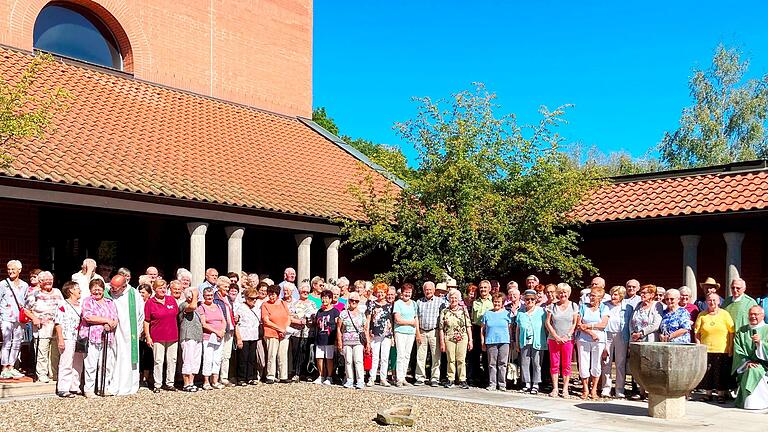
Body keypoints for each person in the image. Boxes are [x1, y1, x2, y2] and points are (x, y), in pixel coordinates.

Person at [107, 274, 145, 396]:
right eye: (112, 286)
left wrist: (137, 332)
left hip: (129, 333)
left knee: (127, 359)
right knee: (112, 358)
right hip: (113, 331)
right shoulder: (108, 292)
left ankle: (127, 385)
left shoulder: (134, 294)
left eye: (115, 288)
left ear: (124, 286)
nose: (112, 290)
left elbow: (140, 315)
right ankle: (110, 384)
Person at [694, 292, 735, 403]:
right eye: (709, 300)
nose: (712, 303)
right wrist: (699, 346)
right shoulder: (702, 315)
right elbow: (696, 332)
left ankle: (721, 394)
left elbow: (732, 332)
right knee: (707, 372)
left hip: (722, 349)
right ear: (706, 302)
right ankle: (708, 394)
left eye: (714, 300)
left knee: (721, 372)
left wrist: (730, 347)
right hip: (706, 349)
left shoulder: (725, 314)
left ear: (719, 302)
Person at [81, 279, 118, 397]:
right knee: (91, 363)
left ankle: (103, 387)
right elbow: (88, 317)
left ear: (103, 289)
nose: (97, 291)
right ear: (90, 290)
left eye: (99, 289)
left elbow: (115, 317)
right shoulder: (88, 301)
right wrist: (106, 320)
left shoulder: (109, 302)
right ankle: (89, 389)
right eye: (94, 289)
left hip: (108, 336)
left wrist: (112, 323)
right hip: (93, 336)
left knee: (106, 364)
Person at [26, 271, 63, 383]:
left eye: (50, 280)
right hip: (42, 326)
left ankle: (54, 373)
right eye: (45, 281)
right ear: (40, 282)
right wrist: (34, 318)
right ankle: (42, 373)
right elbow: (25, 309)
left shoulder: (57, 291)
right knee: (42, 350)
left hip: (56, 326)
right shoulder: (34, 294)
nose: (48, 282)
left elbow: (62, 307)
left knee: (55, 352)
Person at [143, 279, 179, 392]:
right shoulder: (150, 302)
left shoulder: (171, 300)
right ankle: (157, 384)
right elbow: (146, 321)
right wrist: (148, 336)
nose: (162, 290)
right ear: (154, 289)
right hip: (157, 336)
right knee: (158, 360)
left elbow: (176, 315)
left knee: (172, 360)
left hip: (173, 335)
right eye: (160, 288)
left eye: (164, 288)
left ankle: (170, 383)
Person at [629, 284, 663, 400]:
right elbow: (631, 321)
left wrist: (641, 333)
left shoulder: (657, 306)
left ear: (652, 295)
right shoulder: (638, 305)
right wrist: (633, 333)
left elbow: (656, 324)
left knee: (649, 365)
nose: (642, 295)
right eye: (641, 293)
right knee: (638, 365)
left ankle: (651, 391)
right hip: (636, 340)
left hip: (649, 339)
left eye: (644, 293)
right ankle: (639, 391)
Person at [545, 283, 577, 398]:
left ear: (568, 293)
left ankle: (565, 389)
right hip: (554, 339)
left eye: (565, 292)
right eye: (561, 292)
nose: (563, 294)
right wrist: (555, 336)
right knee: (554, 364)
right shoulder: (552, 306)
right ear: (557, 293)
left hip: (568, 340)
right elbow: (548, 322)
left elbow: (574, 323)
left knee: (566, 364)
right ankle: (555, 388)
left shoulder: (574, 306)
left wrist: (567, 335)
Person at [576, 286, 609, 400]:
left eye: (594, 295)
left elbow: (603, 324)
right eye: (590, 295)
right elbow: (579, 324)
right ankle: (585, 388)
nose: (591, 297)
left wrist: (590, 326)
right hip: (584, 339)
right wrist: (591, 333)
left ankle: (594, 389)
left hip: (599, 340)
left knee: (596, 364)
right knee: (583, 364)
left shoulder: (604, 308)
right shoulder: (583, 307)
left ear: (600, 297)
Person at [732, 305, 768, 409]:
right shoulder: (742, 331)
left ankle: (760, 403)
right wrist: (747, 362)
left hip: (764, 365)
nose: (753, 316)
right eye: (750, 314)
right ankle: (748, 402)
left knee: (755, 371)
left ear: (762, 315)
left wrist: (760, 344)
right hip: (745, 364)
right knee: (751, 370)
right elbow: (737, 349)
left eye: (756, 314)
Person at [600, 285, 633, 398]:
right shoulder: (604, 305)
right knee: (606, 362)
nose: (613, 296)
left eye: (616, 294)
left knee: (620, 363)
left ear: (621, 296)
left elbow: (629, 324)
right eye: (612, 294)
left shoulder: (627, 307)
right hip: (607, 335)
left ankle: (619, 389)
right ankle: (606, 388)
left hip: (621, 336)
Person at [1, 260, 30, 379]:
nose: (10, 271)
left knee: (17, 342)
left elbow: (26, 301)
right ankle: (4, 367)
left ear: (19, 270)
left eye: (13, 269)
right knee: (7, 342)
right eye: (9, 269)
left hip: (19, 318)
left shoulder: (24, 285)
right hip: (6, 316)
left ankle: (12, 366)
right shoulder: (3, 284)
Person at [439, 288, 472, 388]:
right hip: (449, 337)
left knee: (461, 359)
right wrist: (442, 342)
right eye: (451, 298)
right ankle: (451, 379)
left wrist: (470, 340)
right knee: (451, 359)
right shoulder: (444, 311)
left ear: (459, 299)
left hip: (462, 337)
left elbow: (468, 325)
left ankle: (462, 379)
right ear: (449, 299)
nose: (453, 300)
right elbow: (441, 328)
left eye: (455, 298)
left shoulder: (463, 310)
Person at [55, 281, 83, 397]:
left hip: (80, 337)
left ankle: (74, 386)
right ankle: (63, 388)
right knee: (66, 362)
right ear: (70, 290)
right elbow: (58, 322)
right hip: (67, 336)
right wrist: (60, 338)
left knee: (78, 363)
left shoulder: (81, 305)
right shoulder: (62, 304)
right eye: (77, 288)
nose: (79, 290)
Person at [415, 281, 445, 386]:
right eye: (426, 289)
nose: (428, 291)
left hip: (434, 331)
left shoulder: (440, 302)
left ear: (434, 290)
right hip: (422, 331)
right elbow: (416, 318)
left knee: (436, 356)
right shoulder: (419, 302)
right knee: (420, 356)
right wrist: (417, 333)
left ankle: (435, 378)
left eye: (430, 289)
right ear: (423, 291)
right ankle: (420, 377)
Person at [516, 289, 547, 394]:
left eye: (532, 299)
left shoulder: (541, 312)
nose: (530, 301)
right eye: (527, 299)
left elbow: (546, 326)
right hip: (524, 341)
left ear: (535, 300)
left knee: (536, 363)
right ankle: (527, 383)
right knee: (525, 362)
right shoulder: (521, 312)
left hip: (538, 341)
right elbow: (518, 329)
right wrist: (517, 343)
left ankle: (536, 384)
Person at [482, 292, 512, 392]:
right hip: (491, 341)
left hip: (504, 341)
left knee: (503, 363)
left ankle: (502, 384)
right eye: (495, 302)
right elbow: (482, 329)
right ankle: (492, 383)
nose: (497, 304)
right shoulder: (487, 313)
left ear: (502, 303)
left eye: (499, 302)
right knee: (492, 363)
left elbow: (510, 329)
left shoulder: (507, 314)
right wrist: (483, 341)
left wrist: (511, 341)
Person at [261, 284, 291, 384]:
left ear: (277, 294)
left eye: (273, 294)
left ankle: (283, 375)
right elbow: (266, 321)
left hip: (283, 333)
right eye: (269, 294)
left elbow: (288, 317)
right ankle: (270, 375)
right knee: (271, 355)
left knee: (282, 355)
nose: (271, 296)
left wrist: (285, 329)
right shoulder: (265, 305)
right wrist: (279, 329)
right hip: (271, 332)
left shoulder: (283, 303)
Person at [337, 291, 367, 389]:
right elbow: (339, 328)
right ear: (348, 301)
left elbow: (365, 329)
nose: (353, 302)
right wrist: (339, 342)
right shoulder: (343, 313)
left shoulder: (362, 314)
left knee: (358, 360)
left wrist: (368, 343)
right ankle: (349, 379)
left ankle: (360, 380)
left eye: (356, 301)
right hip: (346, 340)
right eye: (351, 300)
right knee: (348, 361)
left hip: (358, 340)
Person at [198, 287, 226, 389]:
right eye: (207, 296)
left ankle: (215, 380)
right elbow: (203, 324)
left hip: (219, 337)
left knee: (217, 358)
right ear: (204, 296)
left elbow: (223, 320)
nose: (209, 297)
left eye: (211, 295)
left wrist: (222, 331)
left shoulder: (218, 306)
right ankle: (206, 381)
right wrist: (216, 331)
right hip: (208, 337)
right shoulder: (202, 307)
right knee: (208, 358)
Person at [288, 281, 315, 381]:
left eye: (307, 292)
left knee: (307, 353)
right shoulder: (294, 303)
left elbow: (315, 317)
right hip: (296, 333)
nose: (305, 293)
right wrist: (299, 321)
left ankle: (307, 373)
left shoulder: (312, 304)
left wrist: (311, 321)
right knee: (296, 353)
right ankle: (296, 372)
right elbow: (289, 318)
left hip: (309, 333)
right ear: (299, 292)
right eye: (303, 291)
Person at [393, 283, 419, 386]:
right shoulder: (398, 303)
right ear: (402, 293)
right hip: (400, 331)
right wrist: (410, 322)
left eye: (409, 292)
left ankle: (403, 377)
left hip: (411, 332)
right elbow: (397, 319)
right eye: (406, 292)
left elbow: (416, 318)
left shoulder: (414, 304)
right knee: (401, 354)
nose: (408, 294)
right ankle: (399, 378)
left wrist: (417, 332)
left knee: (407, 355)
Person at [367, 283, 393, 386]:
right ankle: (372, 377)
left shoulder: (389, 305)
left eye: (382, 292)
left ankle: (383, 378)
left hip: (387, 333)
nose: (380, 294)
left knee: (385, 357)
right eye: (378, 292)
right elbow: (368, 319)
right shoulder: (372, 304)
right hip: (375, 333)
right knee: (375, 356)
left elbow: (391, 320)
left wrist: (392, 336)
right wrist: (367, 332)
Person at [313, 289, 340, 385]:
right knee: (319, 357)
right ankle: (321, 375)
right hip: (320, 338)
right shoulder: (319, 311)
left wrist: (337, 339)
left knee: (329, 358)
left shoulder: (335, 311)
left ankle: (329, 376)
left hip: (330, 339)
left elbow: (338, 325)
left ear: (331, 299)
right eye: (323, 298)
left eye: (326, 298)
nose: (324, 300)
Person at [235, 286, 261, 385]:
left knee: (252, 358)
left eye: (256, 298)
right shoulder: (240, 308)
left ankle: (250, 377)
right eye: (251, 298)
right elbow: (236, 324)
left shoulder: (257, 308)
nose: (254, 300)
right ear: (246, 298)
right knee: (243, 358)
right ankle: (241, 378)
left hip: (254, 336)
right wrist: (239, 338)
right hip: (244, 335)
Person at [469, 280, 493, 387]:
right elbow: (473, 318)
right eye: (481, 288)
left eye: (485, 287)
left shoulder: (493, 301)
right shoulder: (475, 302)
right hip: (477, 329)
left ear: (489, 289)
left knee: (487, 356)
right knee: (474, 355)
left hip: (489, 330)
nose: (483, 289)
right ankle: (474, 377)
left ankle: (487, 378)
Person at [178, 287, 202, 392]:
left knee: (195, 361)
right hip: (188, 336)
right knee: (188, 360)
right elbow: (191, 307)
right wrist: (195, 294)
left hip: (197, 336)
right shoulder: (183, 305)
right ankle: (186, 383)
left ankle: (192, 382)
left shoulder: (198, 308)